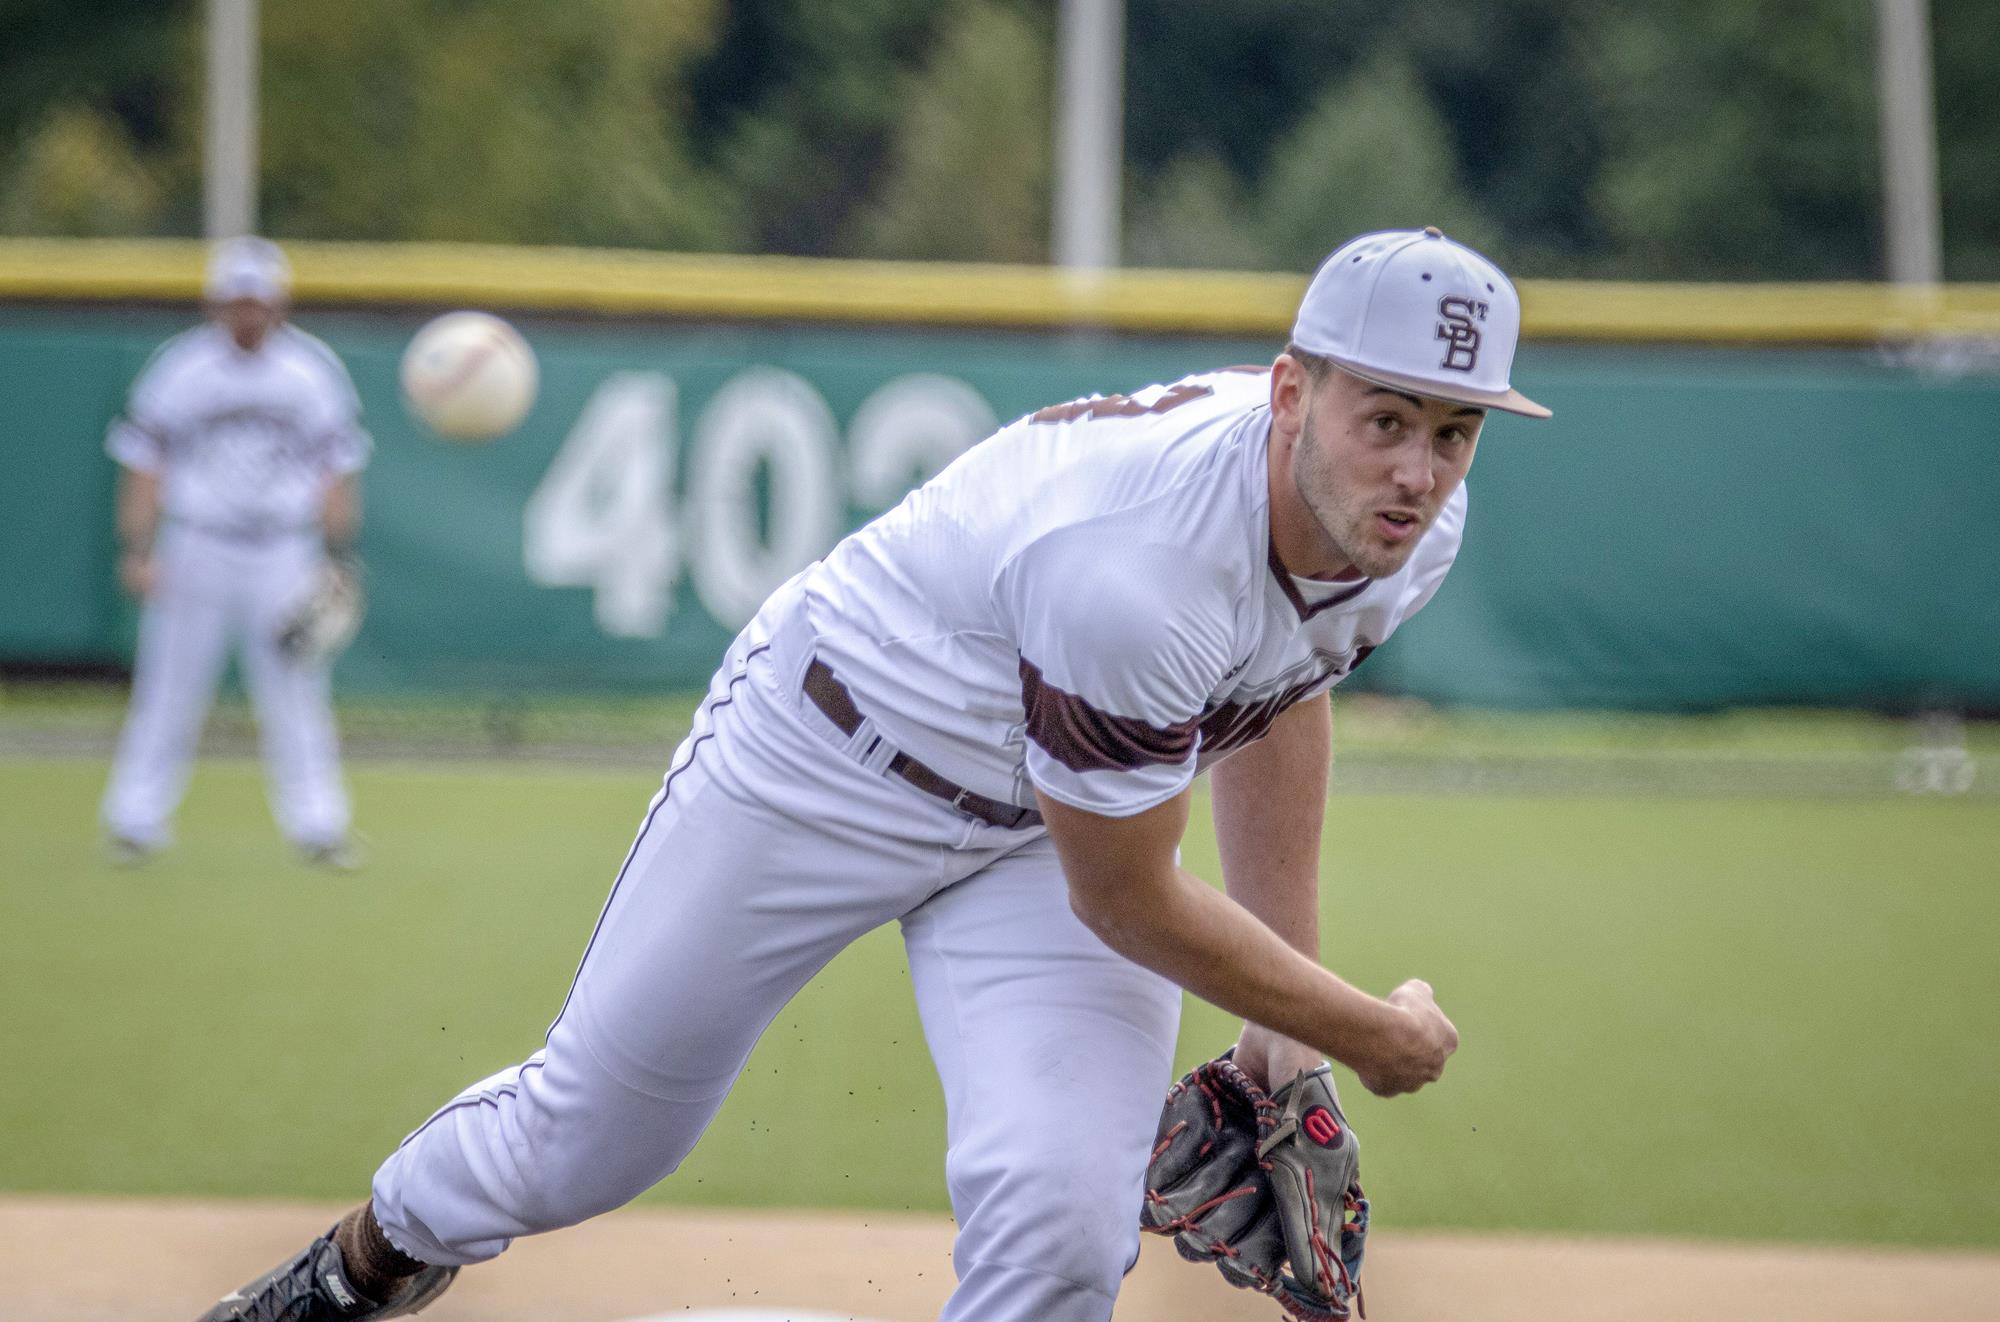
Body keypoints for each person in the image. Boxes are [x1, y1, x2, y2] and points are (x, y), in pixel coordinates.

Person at [195, 227, 1550, 1321]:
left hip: (1045, 822)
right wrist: (1365, 1033)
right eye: (1388, 418)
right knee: (592, 1136)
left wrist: (1282, 1048)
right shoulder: (1133, 566)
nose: (1418, 470)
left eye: (1454, 432)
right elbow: (1130, 901)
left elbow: (1274, 696)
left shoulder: (1404, 529)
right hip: (827, 757)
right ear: (1293, 389)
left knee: (1064, 1228)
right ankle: (354, 1270)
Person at [101, 236, 369, 870]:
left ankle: (318, 826)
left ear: (279, 304)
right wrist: (138, 546)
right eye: (236, 301)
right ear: (215, 304)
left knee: (295, 688)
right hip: (198, 541)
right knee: (169, 684)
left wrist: (335, 553)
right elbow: (145, 462)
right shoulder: (182, 368)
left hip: (281, 549)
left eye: (258, 301)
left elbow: (337, 466)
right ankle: (135, 819)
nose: (247, 313)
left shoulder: (310, 370)